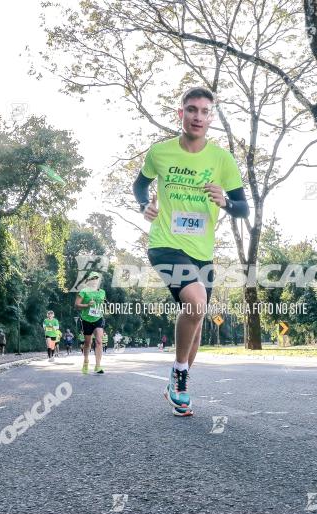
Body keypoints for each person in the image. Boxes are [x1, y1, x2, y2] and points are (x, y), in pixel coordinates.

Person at [133, 86, 249, 416]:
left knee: (196, 322)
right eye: (192, 109)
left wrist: (225, 201)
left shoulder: (221, 159)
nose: (198, 116)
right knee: (197, 302)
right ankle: (180, 374)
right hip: (164, 243)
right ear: (180, 113)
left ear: (211, 117)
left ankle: (177, 384)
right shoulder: (161, 153)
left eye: (204, 111)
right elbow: (140, 184)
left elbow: (244, 208)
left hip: (202, 251)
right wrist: (145, 205)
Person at [75, 271, 106, 374]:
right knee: (88, 343)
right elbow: (77, 305)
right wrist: (87, 305)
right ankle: (86, 361)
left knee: (99, 341)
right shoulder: (84, 291)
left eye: (96, 279)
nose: (94, 281)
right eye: (93, 279)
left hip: (98, 318)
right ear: (89, 281)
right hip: (86, 319)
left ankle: (98, 365)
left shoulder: (102, 292)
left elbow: (101, 303)